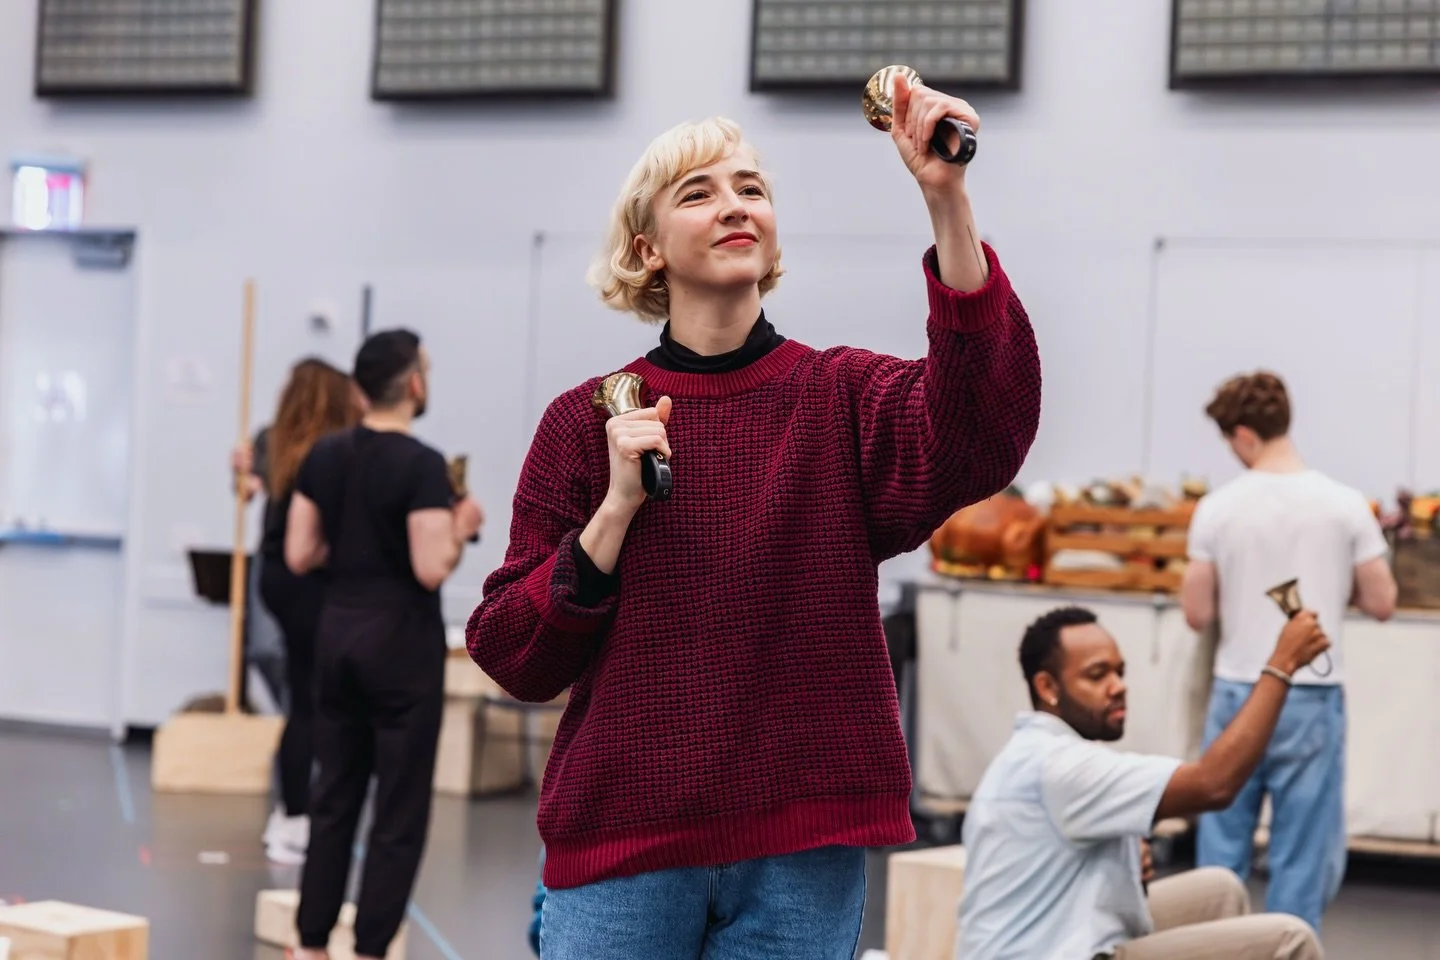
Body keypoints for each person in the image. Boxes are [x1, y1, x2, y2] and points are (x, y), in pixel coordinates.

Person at [468, 74, 1042, 959]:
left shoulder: (840, 398)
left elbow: (982, 428)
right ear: (646, 246)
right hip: (625, 839)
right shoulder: (585, 424)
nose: (735, 205)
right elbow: (513, 652)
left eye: (752, 189)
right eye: (698, 193)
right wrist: (614, 513)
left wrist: (946, 196)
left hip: (801, 847)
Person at [956, 606, 1329, 960]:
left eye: (1120, 672)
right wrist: (1283, 664)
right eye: (1097, 675)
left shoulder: (1034, 752)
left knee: (1221, 889)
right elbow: (1214, 784)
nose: (1118, 686)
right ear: (1048, 687)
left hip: (1047, 938)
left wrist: (1124, 860)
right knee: (1289, 940)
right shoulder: (1062, 766)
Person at [283, 329, 485, 960]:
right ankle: (370, 949)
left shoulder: (324, 454)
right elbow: (431, 567)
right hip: (400, 648)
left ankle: (310, 944)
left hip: (337, 636)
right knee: (398, 812)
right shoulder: (423, 464)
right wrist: (461, 526)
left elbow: (299, 553)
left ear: (356, 389)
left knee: (333, 798)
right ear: (415, 385)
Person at [1180, 370, 1397, 933]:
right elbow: (1382, 601)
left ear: (1244, 435)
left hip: (1239, 690)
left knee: (1221, 847)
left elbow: (1196, 612)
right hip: (1312, 694)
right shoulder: (1347, 504)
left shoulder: (1217, 508)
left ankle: (1212, 949)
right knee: (1303, 856)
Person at [245, 358, 363, 864]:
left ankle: (292, 812)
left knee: (304, 697)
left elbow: (250, 487)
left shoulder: (273, 439)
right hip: (308, 578)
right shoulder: (334, 447)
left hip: (273, 575)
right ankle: (294, 816)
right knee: (314, 704)